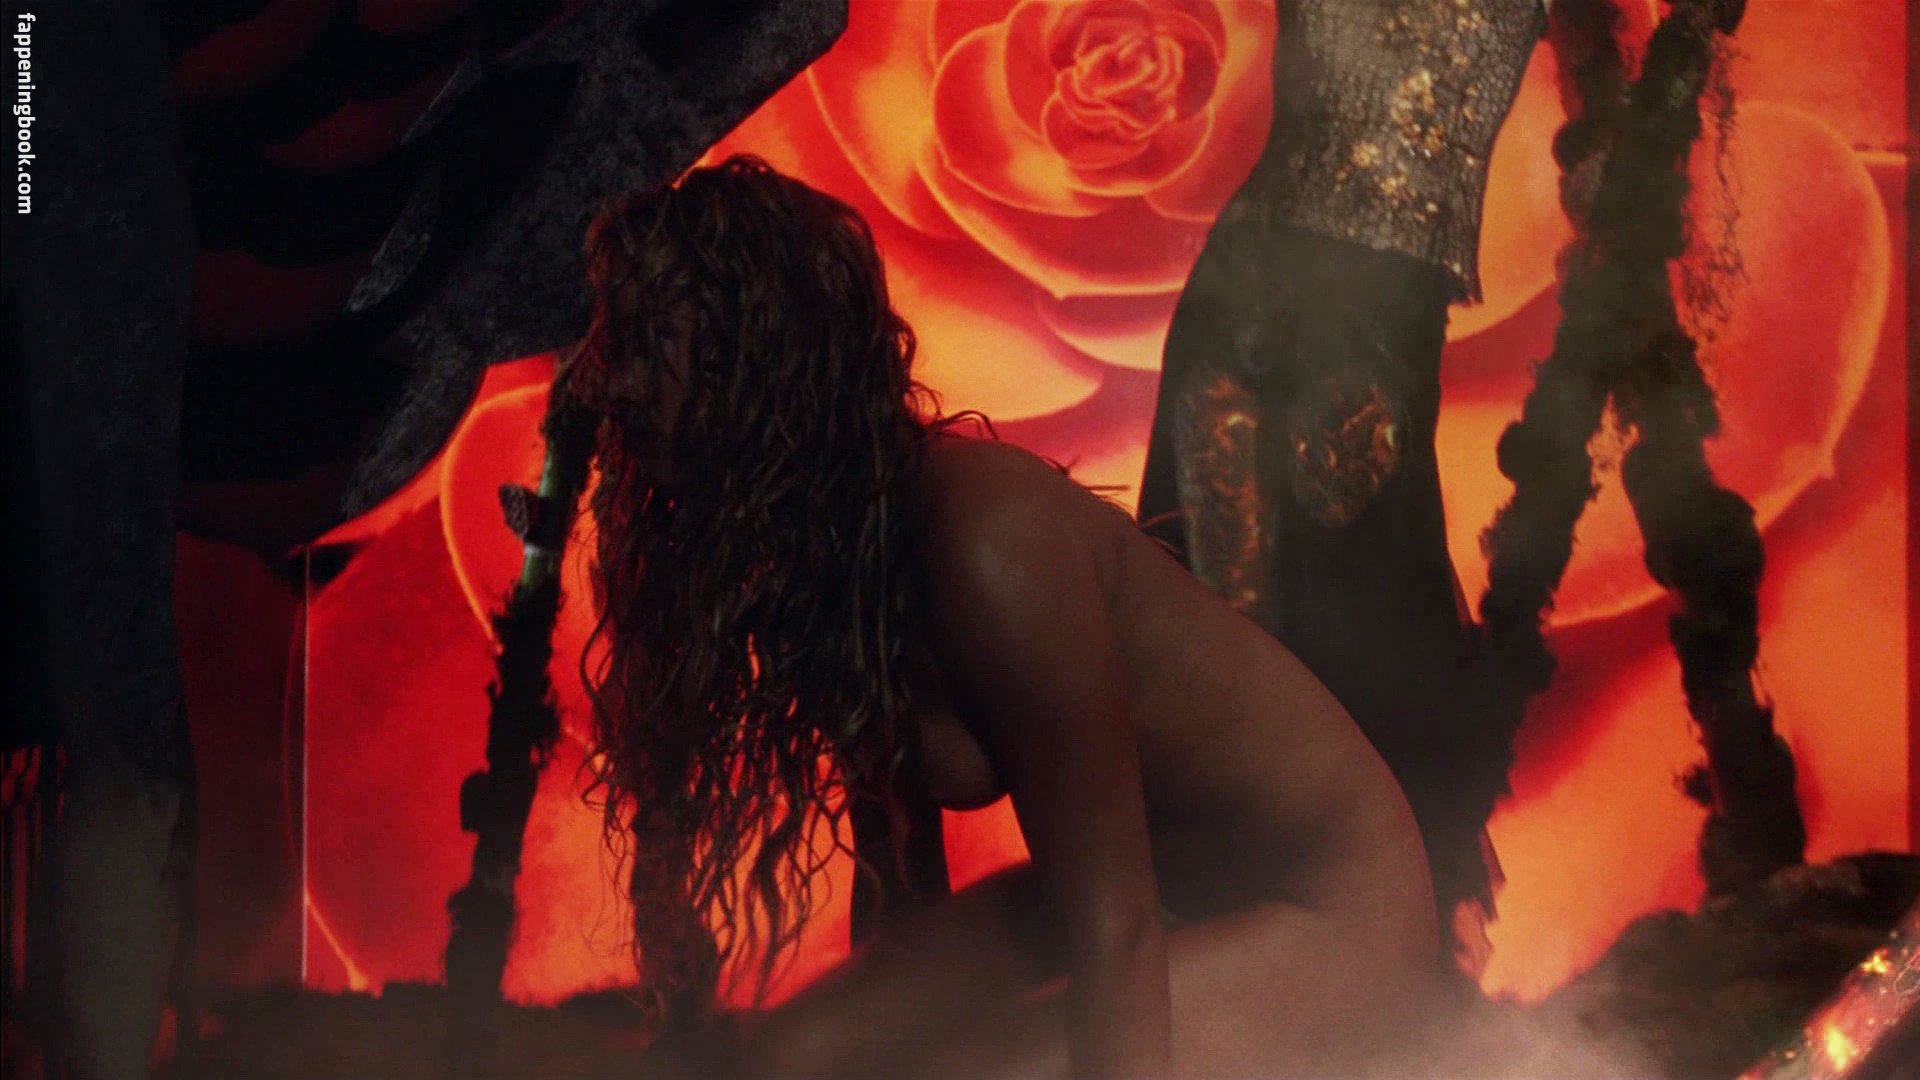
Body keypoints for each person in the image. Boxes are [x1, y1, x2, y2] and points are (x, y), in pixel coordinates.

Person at [560, 156, 1438, 1079]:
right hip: (1154, 891)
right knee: (777, 1064)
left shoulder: (988, 544)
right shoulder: (820, 560)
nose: (607, 385)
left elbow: (1117, 925)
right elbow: (903, 880)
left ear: (756, 355)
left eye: (651, 342)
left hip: (1324, 903)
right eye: (618, 341)